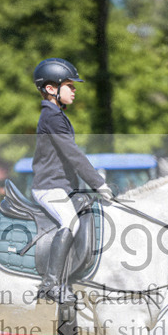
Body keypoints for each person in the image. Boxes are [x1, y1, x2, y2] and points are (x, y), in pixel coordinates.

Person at [31, 57, 113, 304]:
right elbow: (73, 154)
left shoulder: (57, 115)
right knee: (70, 221)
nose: (75, 89)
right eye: (70, 85)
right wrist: (98, 183)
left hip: (62, 187)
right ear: (51, 88)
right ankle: (51, 283)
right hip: (48, 187)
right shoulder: (52, 117)